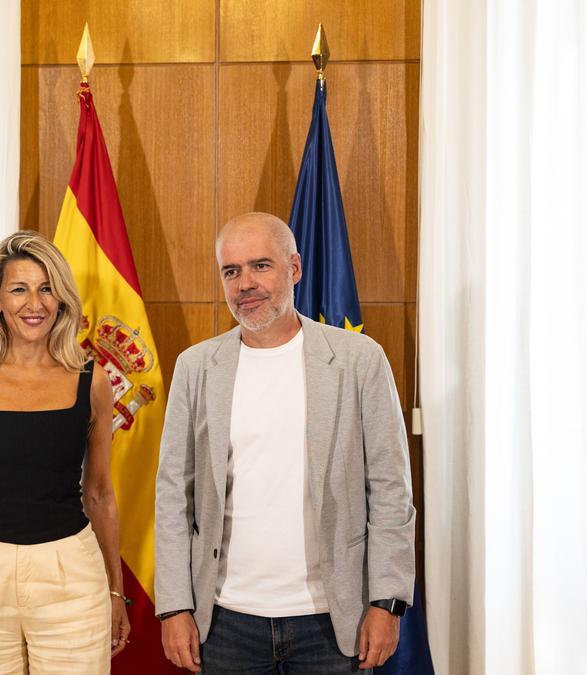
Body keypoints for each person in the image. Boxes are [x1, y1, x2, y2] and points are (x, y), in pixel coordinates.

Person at [154, 212, 416, 673]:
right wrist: (174, 607)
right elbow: (174, 494)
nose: (244, 284)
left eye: (261, 266)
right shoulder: (196, 368)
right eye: (231, 271)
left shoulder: (359, 360)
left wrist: (387, 601)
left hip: (334, 621)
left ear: (294, 269)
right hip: (225, 622)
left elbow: (391, 488)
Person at [0, 230, 131, 673]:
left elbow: (100, 493)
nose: (34, 303)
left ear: (62, 299)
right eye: (19, 289)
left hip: (71, 576)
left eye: (46, 288)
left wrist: (115, 590)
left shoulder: (91, 381)